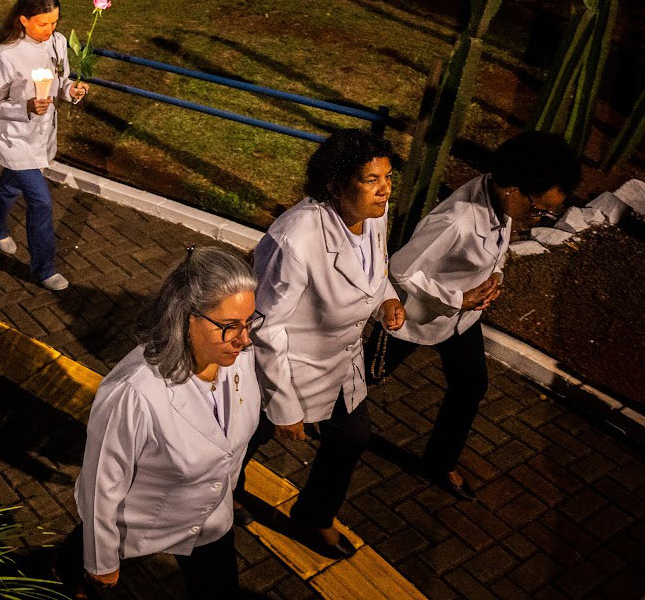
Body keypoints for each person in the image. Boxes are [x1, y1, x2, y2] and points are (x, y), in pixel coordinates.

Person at [380, 132, 579, 500]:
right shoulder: (457, 219)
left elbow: (497, 248)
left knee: (470, 385)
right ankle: (316, 414)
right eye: (538, 209)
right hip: (414, 317)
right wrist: (459, 296)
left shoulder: (501, 198)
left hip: (461, 320)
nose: (539, 217)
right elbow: (401, 269)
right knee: (367, 376)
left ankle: (438, 463)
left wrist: (495, 277)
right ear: (512, 190)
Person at [58, 247, 264, 599]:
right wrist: (101, 560)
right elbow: (101, 484)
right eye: (230, 327)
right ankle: (69, 568)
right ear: (186, 318)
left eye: (249, 323)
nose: (245, 339)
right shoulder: (134, 393)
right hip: (140, 518)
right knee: (84, 573)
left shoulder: (237, 357)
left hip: (211, 520)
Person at [241, 129, 407, 559]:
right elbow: (266, 327)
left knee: (352, 438)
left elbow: (371, 268)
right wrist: (285, 407)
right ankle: (221, 497)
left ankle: (313, 516)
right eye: (372, 179)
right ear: (335, 183)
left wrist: (384, 299)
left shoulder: (375, 214)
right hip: (282, 369)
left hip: (340, 364)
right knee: (242, 441)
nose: (385, 189)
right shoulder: (295, 240)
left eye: (388, 177)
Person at [0, 0, 88, 291]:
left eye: (54, 23)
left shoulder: (58, 42)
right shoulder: (4, 56)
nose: (50, 30)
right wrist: (25, 106)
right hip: (13, 139)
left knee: (11, 184)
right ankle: (44, 268)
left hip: (42, 135)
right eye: (42, 24)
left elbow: (61, 82)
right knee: (40, 201)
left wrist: (71, 92)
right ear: (23, 19)